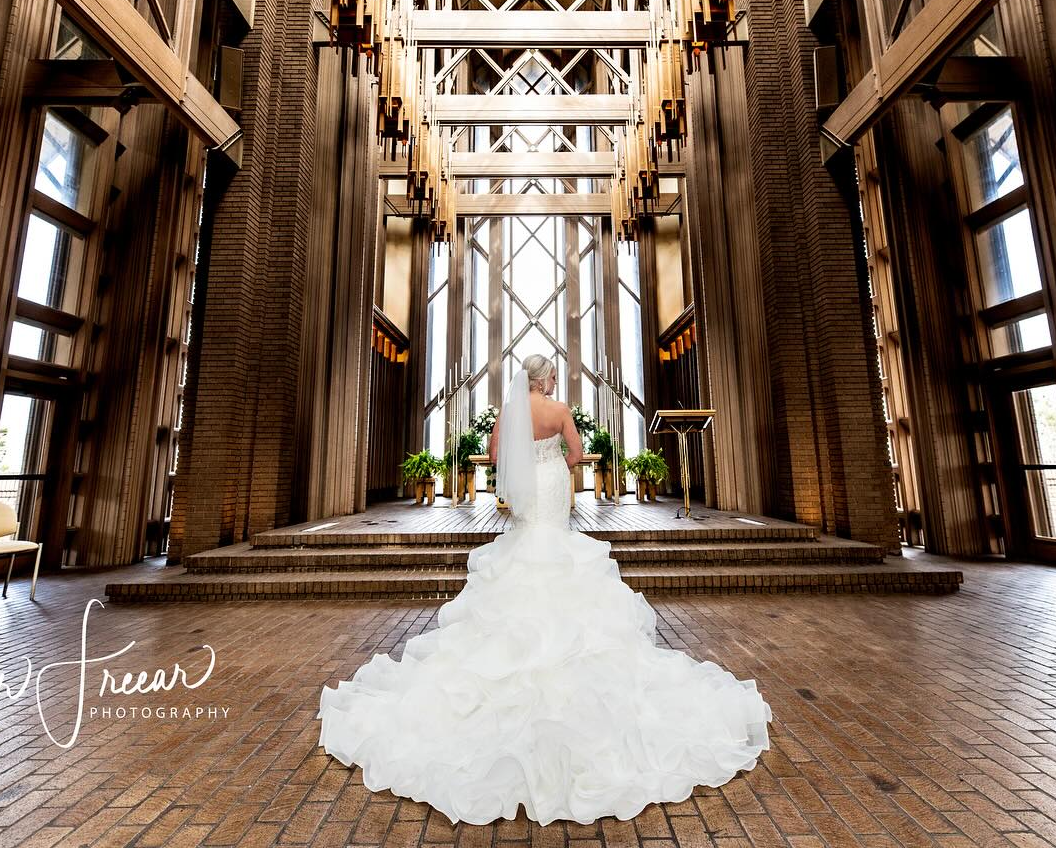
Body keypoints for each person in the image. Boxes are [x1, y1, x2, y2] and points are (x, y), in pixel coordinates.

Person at [317, 354, 773, 826]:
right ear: (546, 379)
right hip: (553, 484)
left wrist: (525, 458)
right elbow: (576, 454)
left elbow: (495, 457)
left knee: (521, 549)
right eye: (553, 374)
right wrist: (555, 456)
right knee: (558, 547)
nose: (556, 380)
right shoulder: (559, 412)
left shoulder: (510, 412)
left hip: (526, 489)